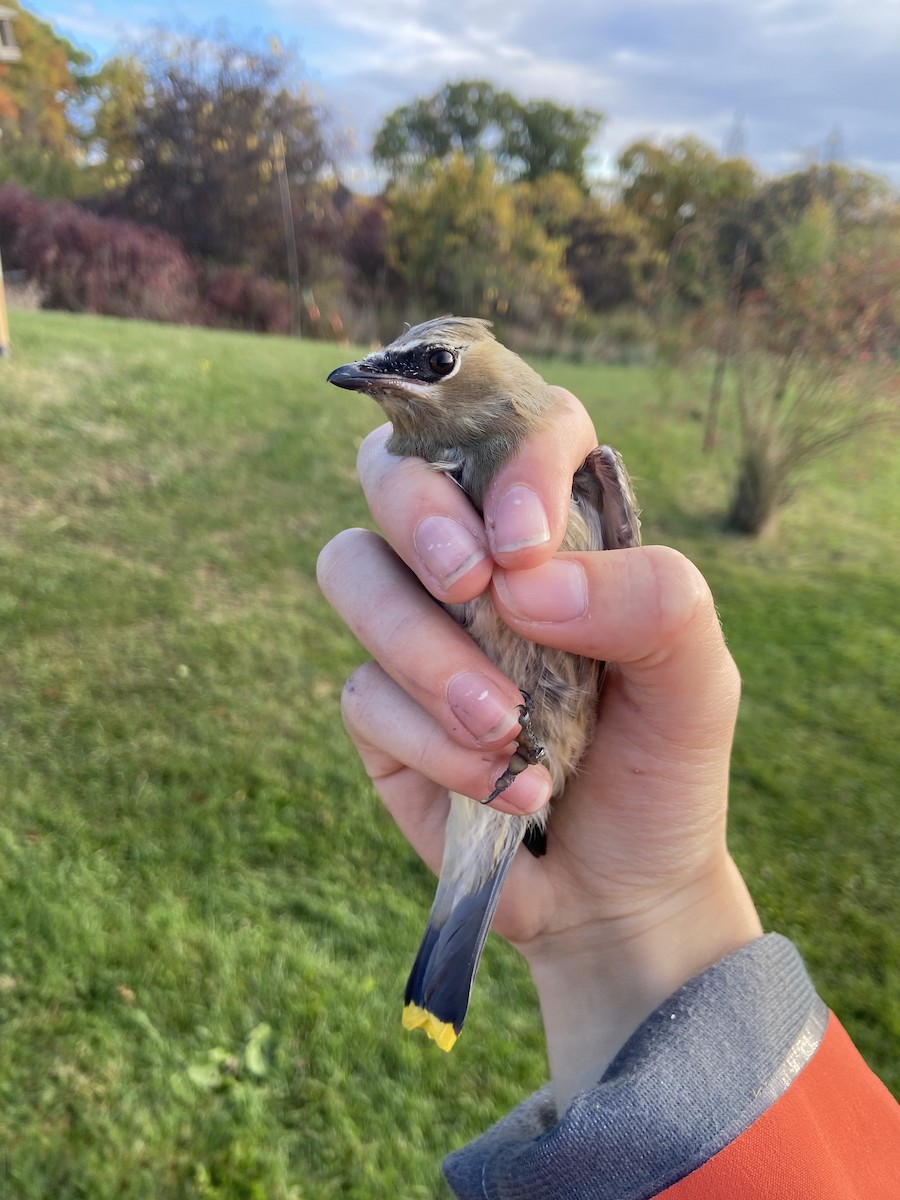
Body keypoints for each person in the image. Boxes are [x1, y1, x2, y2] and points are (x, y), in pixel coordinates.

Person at [316, 389, 900, 1197]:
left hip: (536, 750)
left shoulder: (567, 482)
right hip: (519, 769)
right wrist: (633, 916)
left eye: (432, 367)